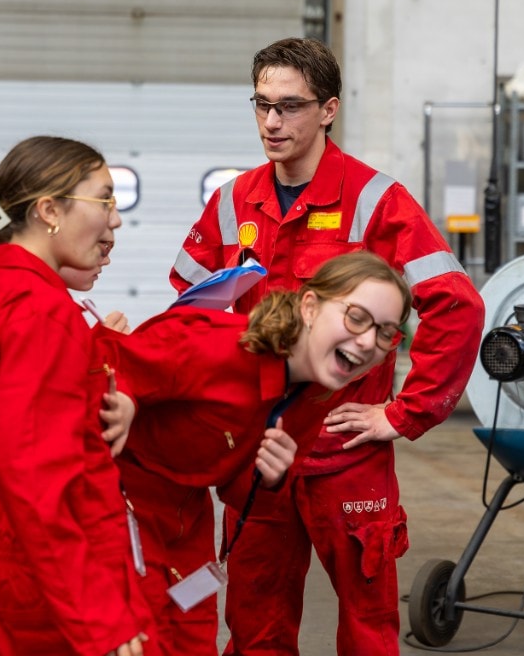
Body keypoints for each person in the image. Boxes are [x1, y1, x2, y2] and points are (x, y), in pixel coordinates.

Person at [170, 37, 485, 654]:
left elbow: (457, 306)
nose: (271, 121)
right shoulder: (234, 201)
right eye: (262, 104)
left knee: (367, 629)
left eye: (289, 106)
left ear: (328, 110)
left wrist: (403, 413)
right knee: (255, 628)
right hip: (260, 454)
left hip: (346, 455)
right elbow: (190, 306)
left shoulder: (377, 202)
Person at [97, 251, 412, 655]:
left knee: (191, 638)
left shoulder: (313, 395)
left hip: (185, 521)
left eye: (386, 333)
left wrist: (272, 478)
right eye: (356, 318)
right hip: (117, 507)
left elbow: (239, 494)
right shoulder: (216, 343)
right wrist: (124, 397)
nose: (369, 342)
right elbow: (116, 365)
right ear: (310, 307)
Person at [0, 136, 156, 656]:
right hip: (47, 591)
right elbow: (35, 481)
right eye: (104, 199)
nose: (115, 220)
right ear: (49, 211)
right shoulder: (42, 312)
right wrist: (100, 616)